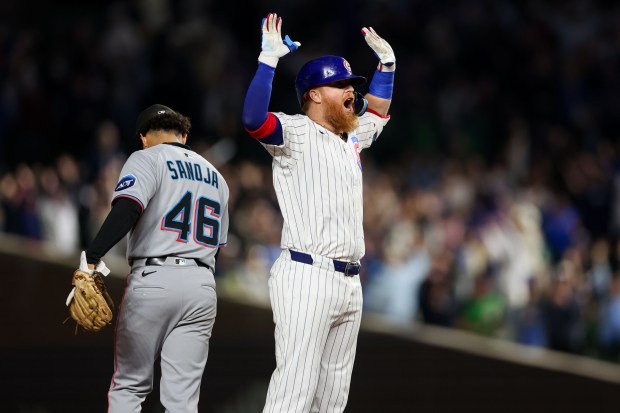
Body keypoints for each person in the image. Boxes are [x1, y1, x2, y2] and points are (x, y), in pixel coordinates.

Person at [242, 13, 395, 413]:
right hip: (306, 275)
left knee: (332, 400)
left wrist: (388, 68)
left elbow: (376, 114)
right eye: (341, 85)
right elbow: (253, 120)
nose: (351, 90)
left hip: (349, 281)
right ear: (313, 94)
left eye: (352, 85)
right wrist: (268, 61)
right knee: (295, 389)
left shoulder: (350, 138)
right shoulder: (294, 132)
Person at [79, 104, 229, 412]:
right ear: (184, 135)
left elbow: (127, 209)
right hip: (202, 285)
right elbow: (219, 247)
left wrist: (92, 257)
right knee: (183, 399)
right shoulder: (217, 177)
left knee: (130, 385)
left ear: (144, 137)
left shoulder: (146, 157)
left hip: (155, 278)